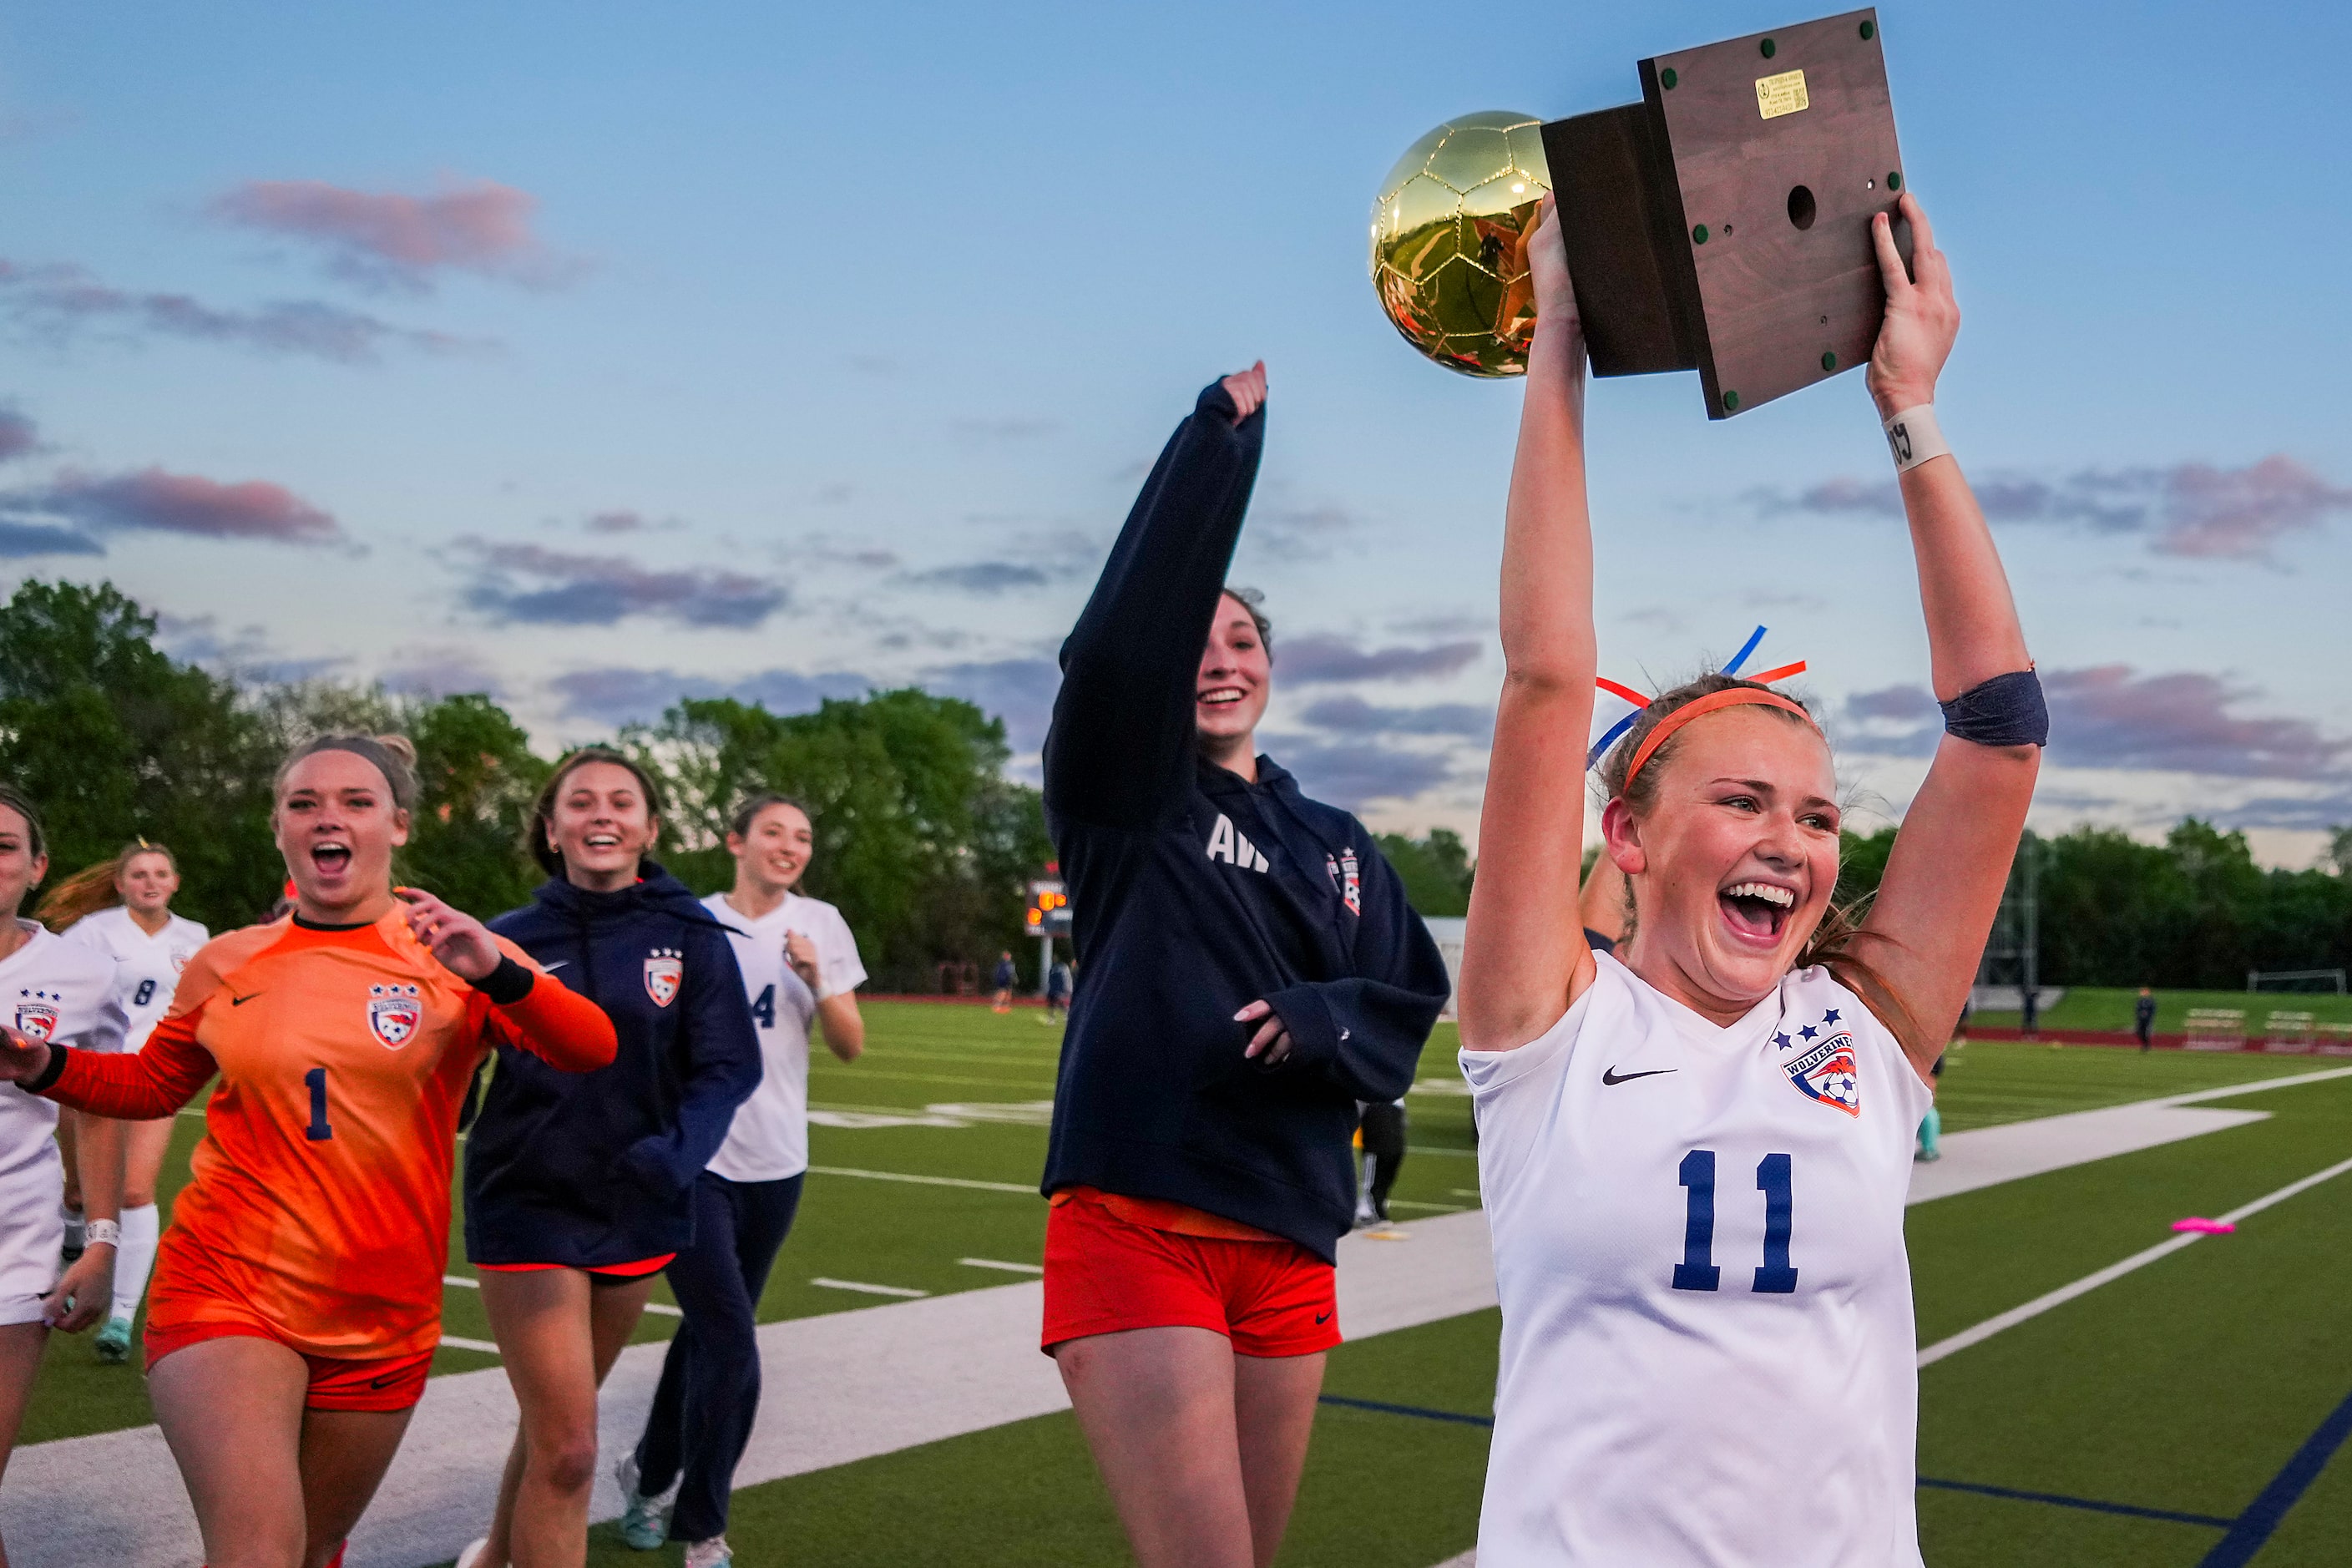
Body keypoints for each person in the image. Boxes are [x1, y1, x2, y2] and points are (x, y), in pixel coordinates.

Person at [1456, 191, 2042, 1564]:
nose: (1791, 837)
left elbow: (1998, 731)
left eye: (1819, 814)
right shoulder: (1549, 1027)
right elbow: (1546, 674)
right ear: (1631, 837)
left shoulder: (1865, 1028)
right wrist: (1555, 358)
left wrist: (1907, 402)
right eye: (1741, 801)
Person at [0, 736, 616, 1568]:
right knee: (257, 1549)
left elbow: (592, 1048)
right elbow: (151, 1085)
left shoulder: (455, 953)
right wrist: (47, 1066)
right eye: (304, 803)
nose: (329, 817)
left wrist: (501, 974)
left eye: (357, 802)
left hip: (382, 1310)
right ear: (280, 829)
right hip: (225, 1288)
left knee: (316, 1548)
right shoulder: (228, 961)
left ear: (397, 826)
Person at [1040, 361, 1451, 1568]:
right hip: (1139, 1215)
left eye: (1243, 638)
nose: (1218, 659)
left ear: (1271, 664)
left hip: (1289, 1232)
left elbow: (1409, 999)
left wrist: (1330, 1016)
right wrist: (1215, 450)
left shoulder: (1336, 840)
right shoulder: (1126, 794)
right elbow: (1115, 654)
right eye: (1196, 639)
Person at [459, 748, 761, 1568]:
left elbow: (731, 1063)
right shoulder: (502, 940)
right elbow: (451, 1067)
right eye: (580, 801)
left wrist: (676, 1156)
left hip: (640, 1206)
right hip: (527, 1202)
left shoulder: (692, 935)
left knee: (559, 1428)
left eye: (621, 802)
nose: (602, 813)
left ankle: (493, 1558)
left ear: (651, 828)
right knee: (572, 1451)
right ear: (550, 830)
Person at [615, 792, 867, 1567]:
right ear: (736, 841)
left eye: (802, 838)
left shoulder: (819, 923)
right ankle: (705, 1528)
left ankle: (648, 1473)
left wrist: (815, 976)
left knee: (707, 1334)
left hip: (777, 1163)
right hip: (701, 1161)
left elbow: (851, 1045)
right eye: (773, 834)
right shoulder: (690, 922)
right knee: (729, 1334)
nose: (789, 848)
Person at [0, 786, 125, 1565]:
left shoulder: (79, 972)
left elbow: (102, 1106)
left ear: (36, 867)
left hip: (14, 1238)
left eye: (5, 846)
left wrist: (103, 1238)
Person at [42, 839, 209, 1363]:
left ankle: (121, 1316)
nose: (150, 882)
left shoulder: (196, 938)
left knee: (136, 1191)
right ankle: (73, 1238)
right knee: (78, 1194)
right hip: (92, 1073)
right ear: (120, 884)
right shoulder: (93, 932)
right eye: (139, 874)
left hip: (157, 1077)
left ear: (175, 882)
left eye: (160, 873)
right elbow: (55, 984)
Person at [1353, 1099, 1407, 1228]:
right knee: (1383, 1182)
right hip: (1397, 1147)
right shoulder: (1397, 1097)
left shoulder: (1365, 1095)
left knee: (1371, 1184)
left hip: (1376, 1147)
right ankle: (1374, 1210)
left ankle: (1376, 1215)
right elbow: (1404, 1122)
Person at [1044, 956, 1073, 1025]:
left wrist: (1066, 988)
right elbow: (1050, 979)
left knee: (1058, 1001)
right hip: (1052, 988)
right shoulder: (1053, 968)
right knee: (1051, 1003)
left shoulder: (1061, 968)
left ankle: (1065, 1013)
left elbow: (1065, 978)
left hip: (1058, 988)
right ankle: (1052, 1018)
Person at [990, 949, 1017, 1014]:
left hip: (1000, 979)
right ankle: (999, 1005)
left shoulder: (1000, 964)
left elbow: (996, 972)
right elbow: (1011, 973)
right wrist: (1015, 979)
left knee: (1002, 991)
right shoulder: (1010, 964)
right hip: (1006, 979)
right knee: (1004, 992)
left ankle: (1000, 1005)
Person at [2135, 985, 2157, 1051]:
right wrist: (2138, 1016)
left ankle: (2146, 1045)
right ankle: (2146, 1044)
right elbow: (2137, 1010)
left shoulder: (2151, 1001)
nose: (2141, 993)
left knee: (2146, 1032)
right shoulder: (2140, 1002)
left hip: (2147, 1020)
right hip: (2141, 1019)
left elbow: (2153, 1010)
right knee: (2139, 1032)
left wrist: (2149, 1017)